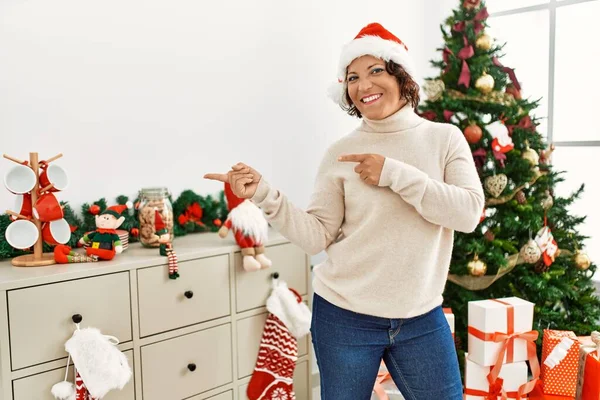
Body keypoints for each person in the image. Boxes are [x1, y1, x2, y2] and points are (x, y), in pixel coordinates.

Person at [205, 22, 484, 400]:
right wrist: (264, 194)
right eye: (353, 77)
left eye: (376, 71)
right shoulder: (340, 154)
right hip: (344, 316)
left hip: (421, 317)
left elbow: (467, 213)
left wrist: (392, 173)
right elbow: (317, 235)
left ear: (402, 76)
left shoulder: (443, 139)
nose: (364, 85)